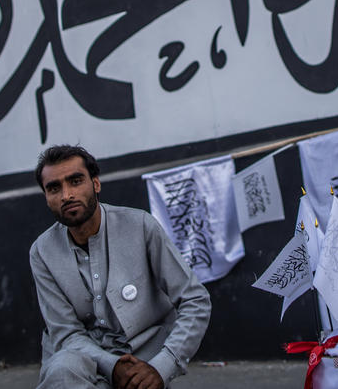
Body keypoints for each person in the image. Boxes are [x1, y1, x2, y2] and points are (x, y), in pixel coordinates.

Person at [31, 145, 211, 389]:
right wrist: (113, 366)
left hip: (144, 359)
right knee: (62, 370)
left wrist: (163, 366)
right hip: (82, 362)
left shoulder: (140, 226)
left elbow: (195, 300)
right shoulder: (42, 251)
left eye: (75, 181)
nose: (66, 195)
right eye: (54, 188)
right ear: (45, 196)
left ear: (96, 184)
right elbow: (65, 332)